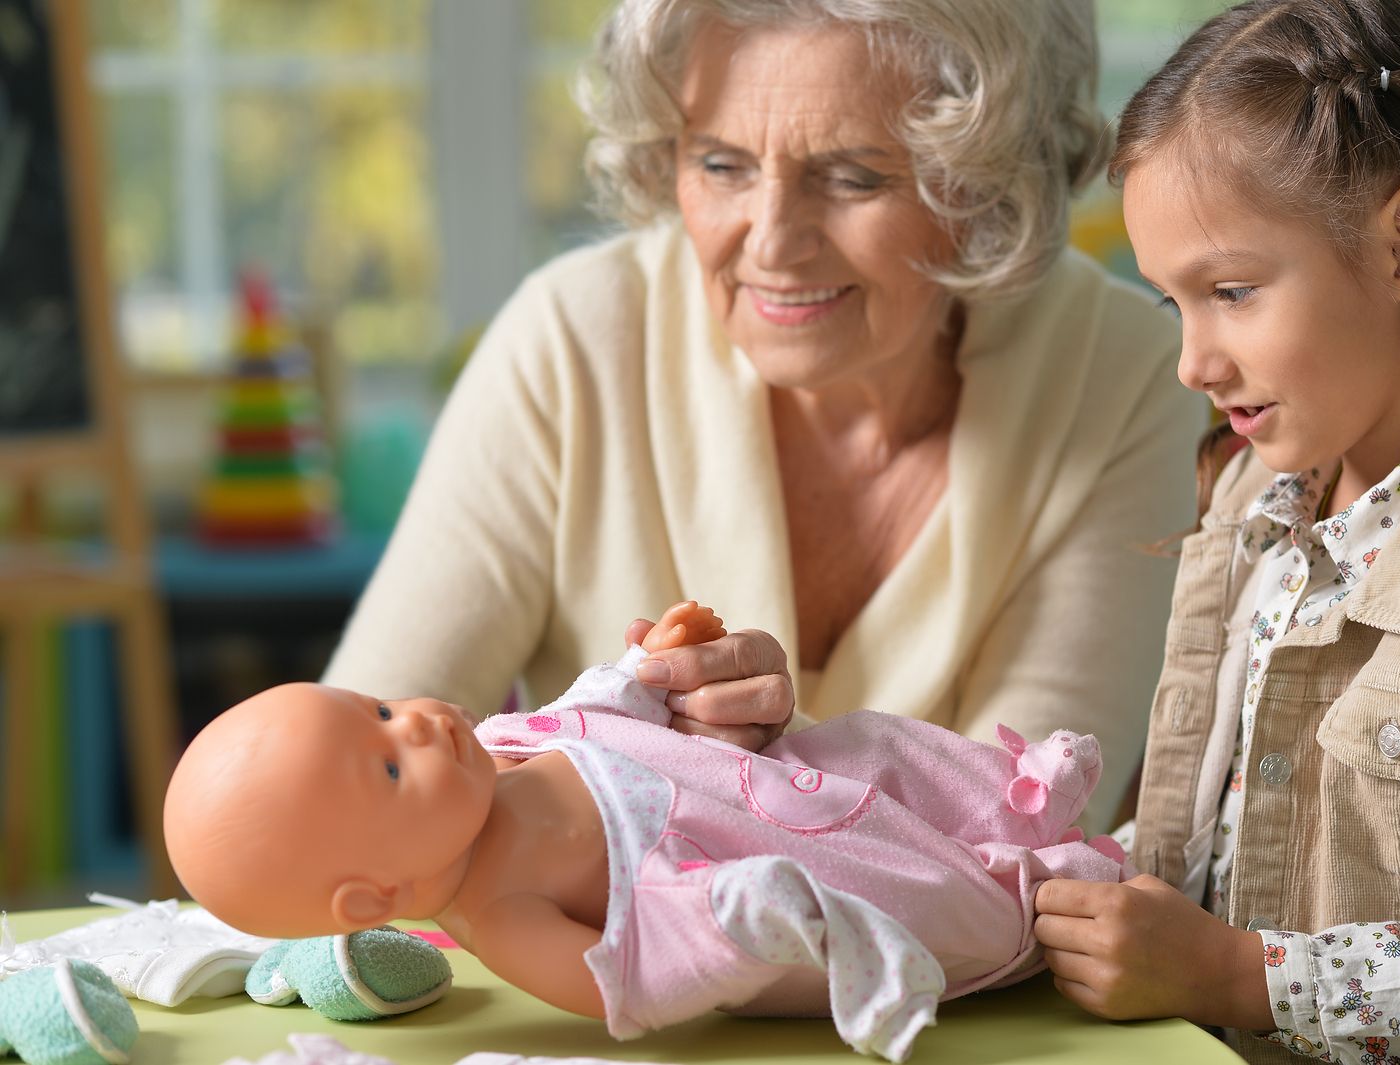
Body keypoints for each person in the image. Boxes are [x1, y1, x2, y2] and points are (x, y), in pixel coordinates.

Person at [319, 0, 1204, 831]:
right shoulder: (573, 340)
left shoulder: (1123, 372)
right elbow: (339, 791)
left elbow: (1021, 839)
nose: (773, 242)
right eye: (720, 164)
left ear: (992, 183)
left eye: (854, 177)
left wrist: (708, 777)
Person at [1030, 0, 1400, 1061]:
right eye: (1174, 305)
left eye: (1231, 292)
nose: (1192, 364)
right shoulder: (1260, 501)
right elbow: (1230, 844)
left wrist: (1238, 976)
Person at [164, 602, 1125, 1062]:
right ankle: (1033, 890)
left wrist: (648, 663)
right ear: (374, 897)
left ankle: (1015, 793)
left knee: (876, 744)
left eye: (376, 708)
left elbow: (590, 713)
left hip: (789, 780)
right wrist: (726, 920)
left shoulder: (497, 746)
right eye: (384, 765)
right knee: (913, 888)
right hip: (770, 869)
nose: (412, 722)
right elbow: (627, 980)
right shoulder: (503, 915)